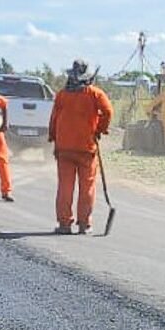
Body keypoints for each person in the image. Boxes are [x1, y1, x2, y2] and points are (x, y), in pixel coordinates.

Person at [48, 59, 113, 234]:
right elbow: (108, 112)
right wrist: (100, 129)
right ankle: (84, 225)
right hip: (86, 148)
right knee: (87, 186)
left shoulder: (62, 94)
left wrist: (53, 138)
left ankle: (64, 224)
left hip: (64, 148)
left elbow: (54, 119)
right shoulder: (95, 93)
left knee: (65, 186)